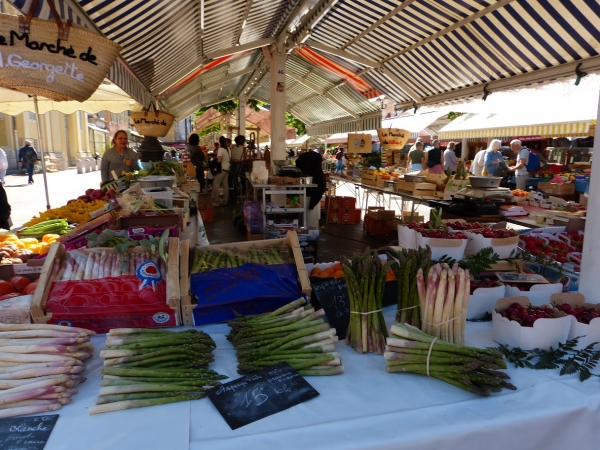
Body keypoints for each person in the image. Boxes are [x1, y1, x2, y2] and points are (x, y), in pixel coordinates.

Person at [212, 136, 230, 206]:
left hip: (221, 169)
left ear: (220, 142)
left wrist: (214, 162)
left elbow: (219, 160)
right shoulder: (228, 149)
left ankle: (216, 201)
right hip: (227, 168)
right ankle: (225, 200)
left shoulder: (221, 149)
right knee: (225, 184)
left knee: (216, 184)